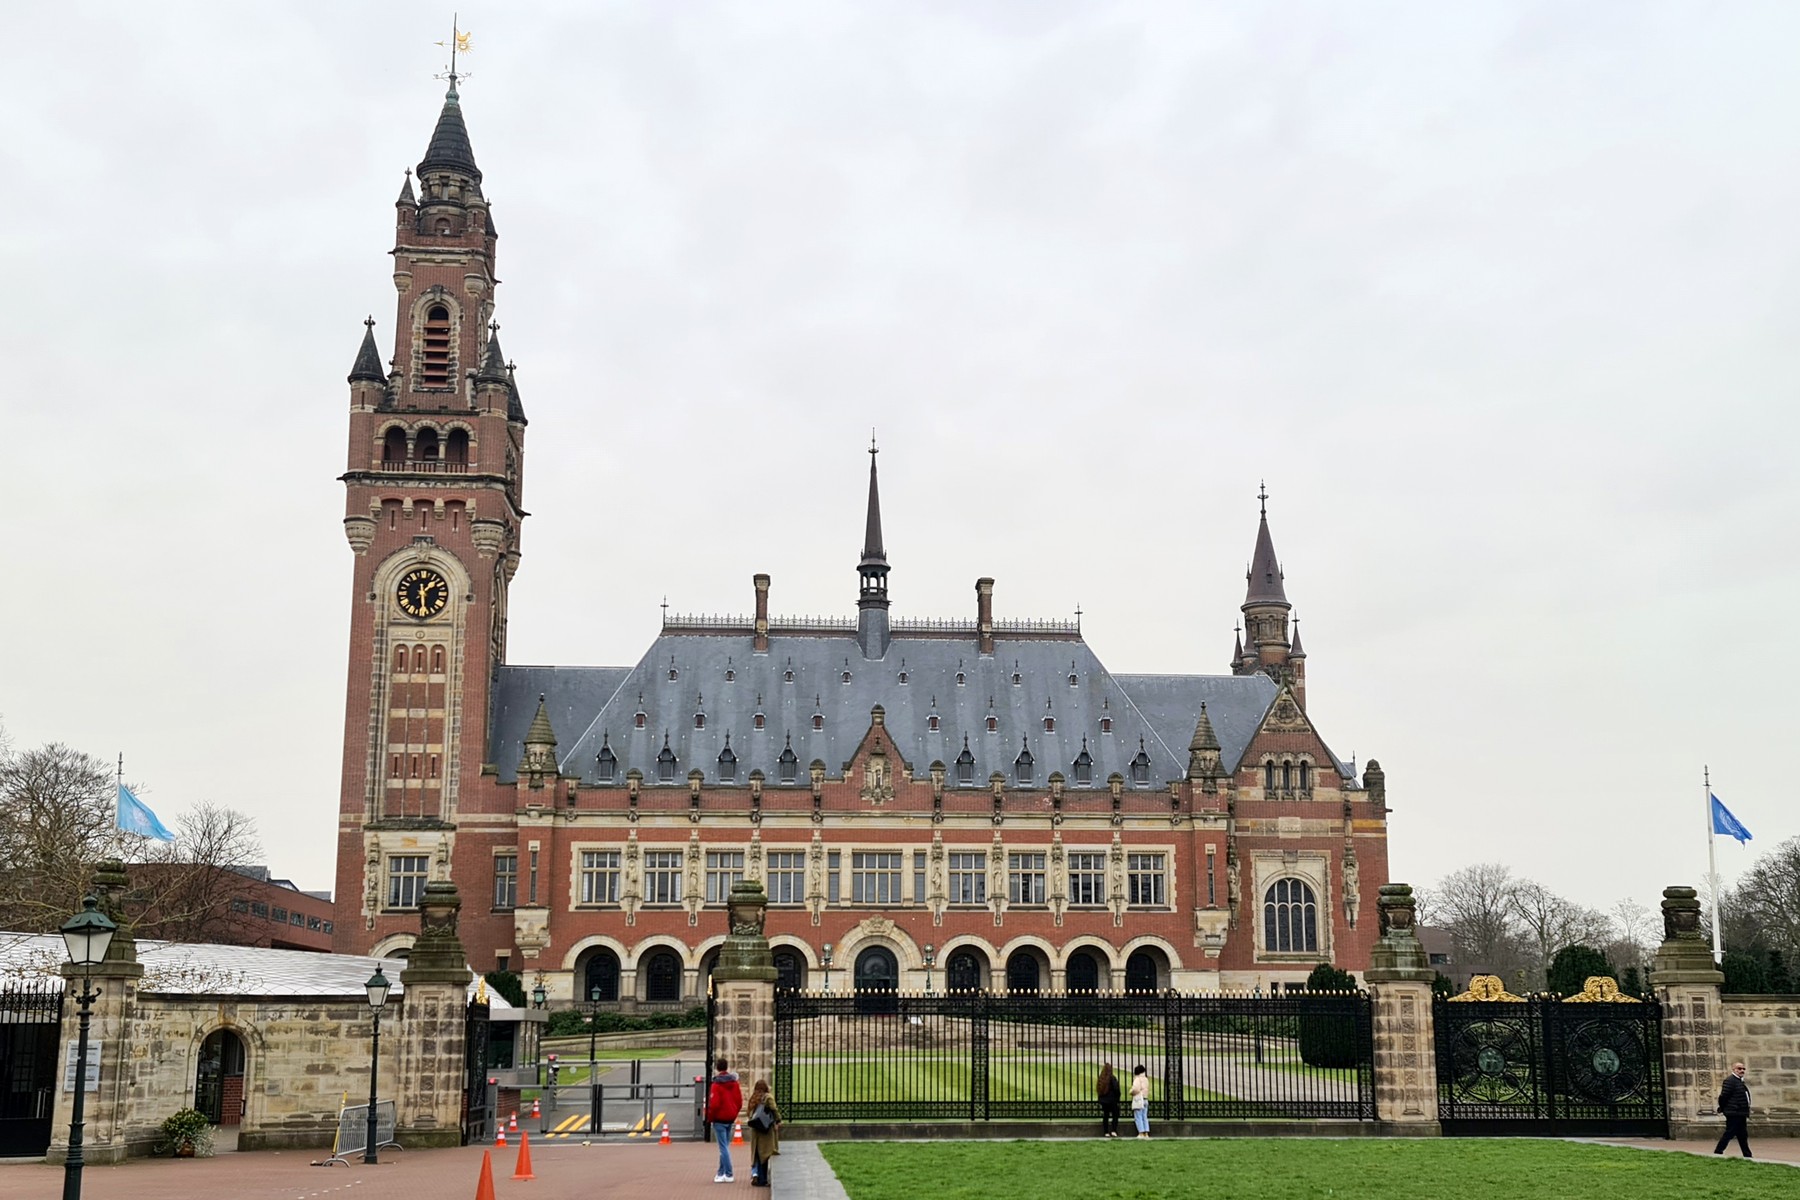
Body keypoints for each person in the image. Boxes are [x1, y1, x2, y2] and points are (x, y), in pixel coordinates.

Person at [706, 1057, 742, 1183]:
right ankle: (721, 1173)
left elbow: (714, 1104)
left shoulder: (716, 1084)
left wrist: (710, 1117)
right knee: (725, 1146)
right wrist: (734, 1113)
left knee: (723, 1147)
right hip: (730, 1118)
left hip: (719, 1118)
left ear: (717, 1068)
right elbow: (739, 1101)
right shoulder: (734, 1083)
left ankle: (729, 1172)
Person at [745, 1078, 782, 1188]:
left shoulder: (753, 1098)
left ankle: (757, 1176)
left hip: (756, 1130)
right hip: (765, 1130)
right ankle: (762, 1179)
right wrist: (778, 1120)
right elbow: (774, 1110)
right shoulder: (768, 1097)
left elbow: (749, 1113)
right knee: (765, 1154)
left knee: (757, 1153)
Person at [1714, 1061, 1752, 1158]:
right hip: (1734, 1112)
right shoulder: (1730, 1081)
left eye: (1743, 1069)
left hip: (1741, 1112)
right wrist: (1723, 1108)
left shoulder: (1739, 1081)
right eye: (1739, 1069)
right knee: (1730, 1132)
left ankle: (1747, 1155)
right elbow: (1723, 1096)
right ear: (1733, 1070)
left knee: (1742, 1135)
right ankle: (1718, 1151)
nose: (1742, 1070)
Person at [1096, 1063, 1121, 1138]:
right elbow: (1116, 1089)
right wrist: (1117, 1098)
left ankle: (1106, 1132)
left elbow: (1099, 1090)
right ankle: (1113, 1130)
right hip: (1112, 1100)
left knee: (1106, 1116)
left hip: (1104, 1101)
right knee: (1115, 1115)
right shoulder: (1112, 1078)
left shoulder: (1101, 1078)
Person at [1129, 1064, 1151, 1139]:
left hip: (1139, 1099)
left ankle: (1141, 1133)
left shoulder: (1137, 1079)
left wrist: (1131, 1092)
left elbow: (1136, 1089)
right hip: (1145, 1099)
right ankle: (1146, 1133)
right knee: (1144, 1116)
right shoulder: (1146, 1079)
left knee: (1138, 1116)